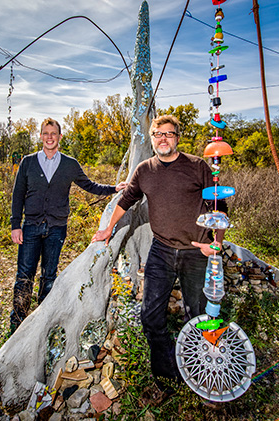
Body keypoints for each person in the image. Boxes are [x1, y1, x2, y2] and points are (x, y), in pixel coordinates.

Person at [92, 114, 227, 396]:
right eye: (157, 134)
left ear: (177, 137)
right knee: (151, 317)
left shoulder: (197, 166)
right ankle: (167, 374)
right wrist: (107, 229)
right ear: (152, 138)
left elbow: (220, 206)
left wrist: (215, 243)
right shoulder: (144, 170)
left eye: (168, 133)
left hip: (196, 251)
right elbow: (127, 200)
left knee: (202, 314)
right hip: (161, 250)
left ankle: (207, 370)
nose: (162, 139)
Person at [9, 118, 127, 333]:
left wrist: (114, 188)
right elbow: (17, 195)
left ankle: (42, 323)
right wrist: (15, 224)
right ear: (41, 136)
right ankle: (17, 325)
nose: (49, 137)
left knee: (49, 275)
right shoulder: (28, 162)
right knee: (24, 275)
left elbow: (89, 185)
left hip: (56, 227)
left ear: (60, 137)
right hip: (31, 226)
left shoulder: (69, 164)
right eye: (45, 133)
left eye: (53, 133)